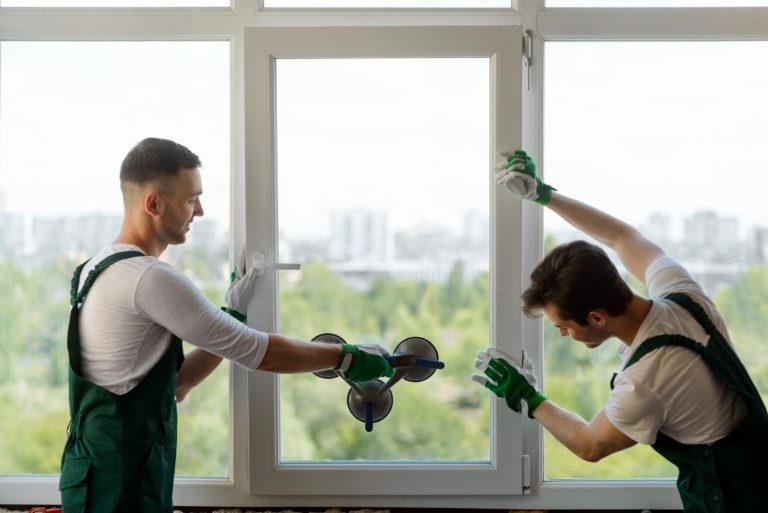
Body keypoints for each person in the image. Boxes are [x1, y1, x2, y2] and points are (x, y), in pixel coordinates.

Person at [59, 137, 394, 513]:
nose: (199, 211)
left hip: (95, 482)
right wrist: (345, 357)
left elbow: (177, 383)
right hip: (121, 495)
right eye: (190, 199)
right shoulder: (149, 278)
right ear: (153, 203)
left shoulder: (93, 270)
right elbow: (261, 354)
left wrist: (231, 315)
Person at [472, 151, 768, 513]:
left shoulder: (645, 381)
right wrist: (543, 194)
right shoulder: (681, 294)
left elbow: (590, 445)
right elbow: (621, 236)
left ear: (596, 317)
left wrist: (530, 399)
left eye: (564, 326)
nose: (563, 336)